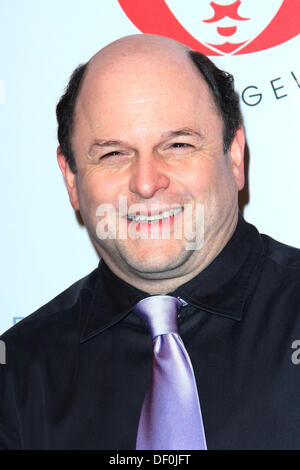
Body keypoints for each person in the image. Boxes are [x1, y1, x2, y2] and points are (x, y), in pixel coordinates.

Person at [1, 33, 300, 450]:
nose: (146, 183)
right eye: (113, 154)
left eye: (178, 145)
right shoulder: (18, 374)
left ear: (234, 156)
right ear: (71, 178)